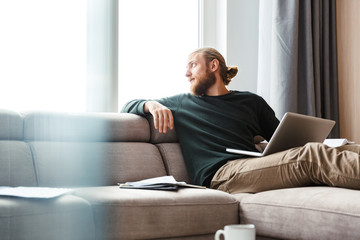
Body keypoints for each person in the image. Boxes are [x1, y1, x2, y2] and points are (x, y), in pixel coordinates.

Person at [122, 47, 360, 193]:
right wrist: (151, 104)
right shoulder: (182, 102)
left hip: (255, 166)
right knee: (311, 155)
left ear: (213, 65)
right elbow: (127, 106)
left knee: (350, 147)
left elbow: (284, 141)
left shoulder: (251, 102)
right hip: (223, 174)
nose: (187, 73)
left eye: (192, 65)